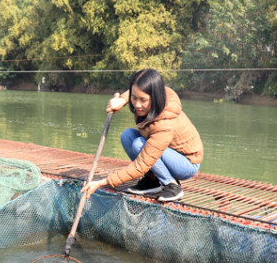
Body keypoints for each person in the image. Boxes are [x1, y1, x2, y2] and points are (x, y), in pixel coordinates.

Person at [81, 68, 204, 202]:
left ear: (155, 97)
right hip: (164, 153)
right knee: (127, 135)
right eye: (134, 98)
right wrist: (122, 100)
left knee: (139, 144)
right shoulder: (156, 94)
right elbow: (137, 91)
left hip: (186, 164)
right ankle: (152, 181)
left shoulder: (165, 124)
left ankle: (172, 185)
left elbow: (141, 165)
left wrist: (102, 182)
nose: (137, 105)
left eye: (143, 100)